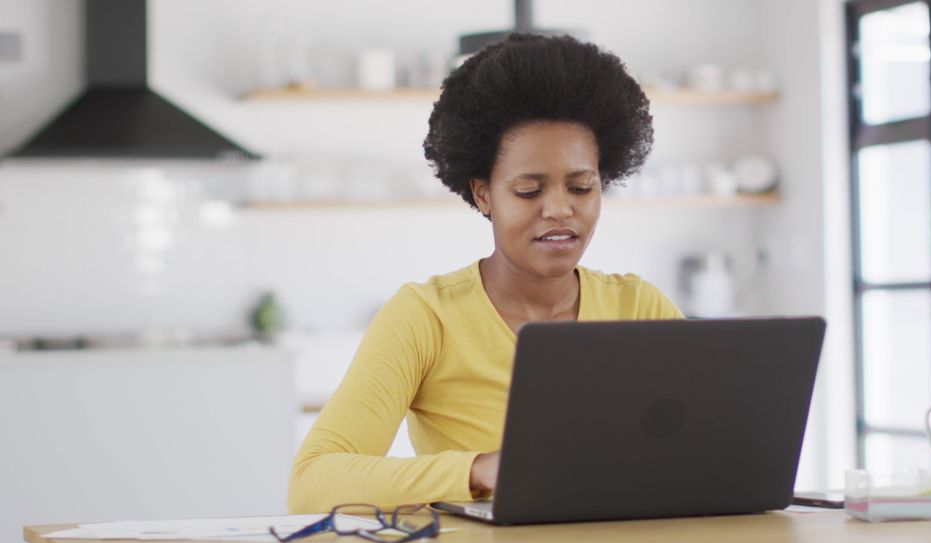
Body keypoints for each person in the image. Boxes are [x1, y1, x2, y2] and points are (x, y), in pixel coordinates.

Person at [288, 33, 684, 514]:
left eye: (581, 187)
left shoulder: (639, 307)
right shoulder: (426, 316)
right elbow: (312, 481)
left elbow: (705, 450)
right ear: (483, 195)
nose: (560, 210)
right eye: (528, 191)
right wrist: (478, 470)